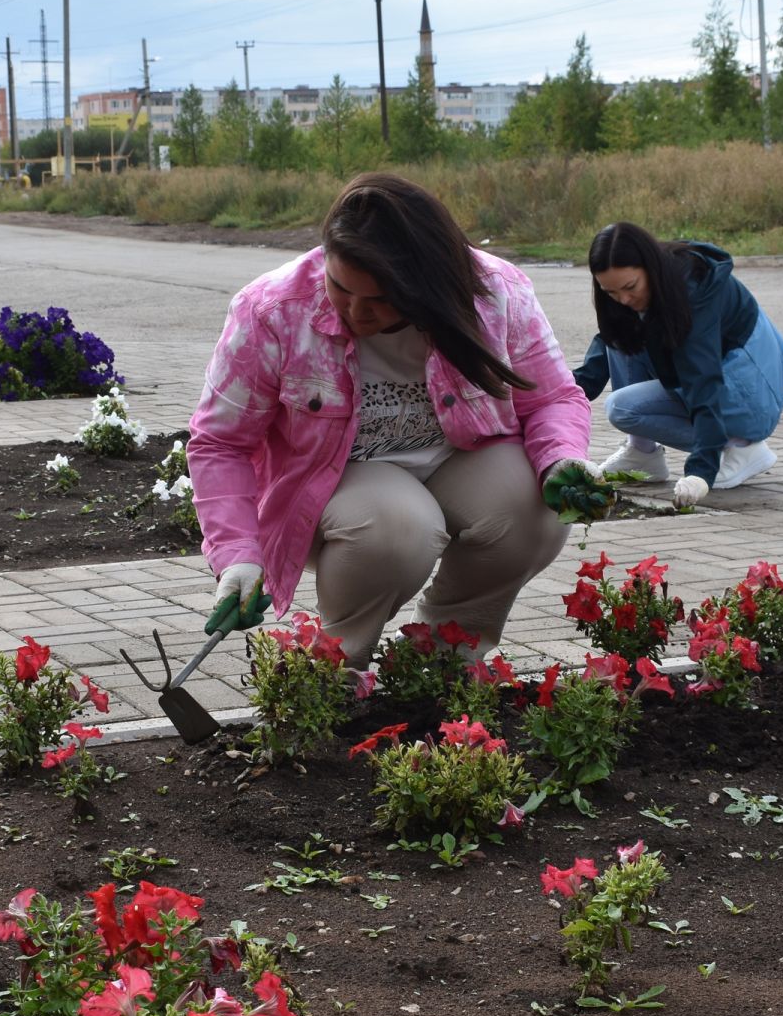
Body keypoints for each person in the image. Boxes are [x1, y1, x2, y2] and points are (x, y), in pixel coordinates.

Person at [188, 172, 600, 668]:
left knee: (534, 510)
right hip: (339, 486)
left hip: (459, 461)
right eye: (340, 287)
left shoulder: (494, 294)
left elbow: (552, 397)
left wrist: (561, 461)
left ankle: (439, 660)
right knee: (400, 526)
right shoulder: (272, 311)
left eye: (381, 299)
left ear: (425, 285)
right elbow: (219, 443)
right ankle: (334, 673)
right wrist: (238, 554)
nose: (355, 312)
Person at [577, 221, 783, 509]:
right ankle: (642, 452)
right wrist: (550, 399)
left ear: (650, 266)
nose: (623, 299)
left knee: (623, 407)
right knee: (622, 337)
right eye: (611, 293)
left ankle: (742, 445)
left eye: (630, 287)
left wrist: (700, 471)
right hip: (721, 378)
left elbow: (702, 381)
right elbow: (606, 344)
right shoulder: (641, 293)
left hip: (752, 394)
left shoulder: (693, 293)